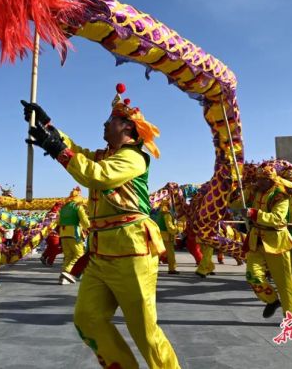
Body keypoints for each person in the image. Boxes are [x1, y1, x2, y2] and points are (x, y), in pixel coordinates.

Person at [21, 83, 180, 369]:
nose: (104, 126)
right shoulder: (105, 154)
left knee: (145, 331)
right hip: (100, 252)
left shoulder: (133, 157)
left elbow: (98, 177)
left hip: (132, 252)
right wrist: (48, 125)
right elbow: (78, 152)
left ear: (127, 128)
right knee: (88, 318)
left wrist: (56, 149)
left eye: (110, 122)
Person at [231, 165, 292, 319]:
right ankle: (272, 300)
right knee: (252, 276)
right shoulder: (254, 191)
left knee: (284, 283)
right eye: (259, 179)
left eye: (263, 180)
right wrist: (236, 191)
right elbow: (234, 204)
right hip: (256, 240)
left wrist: (253, 213)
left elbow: (277, 219)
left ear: (271, 180)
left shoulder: (281, 196)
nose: (260, 182)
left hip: (276, 242)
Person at [57, 186, 90, 284]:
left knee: (68, 255)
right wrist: (90, 228)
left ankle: (63, 276)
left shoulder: (63, 208)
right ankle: (68, 272)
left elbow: (58, 221)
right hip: (74, 233)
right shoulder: (77, 206)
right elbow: (84, 220)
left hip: (63, 234)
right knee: (79, 254)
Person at [151, 199, 179, 274]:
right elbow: (169, 227)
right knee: (170, 254)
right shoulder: (167, 214)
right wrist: (176, 229)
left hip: (160, 235)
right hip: (167, 237)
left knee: (158, 253)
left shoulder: (159, 214)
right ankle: (172, 269)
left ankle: (152, 268)